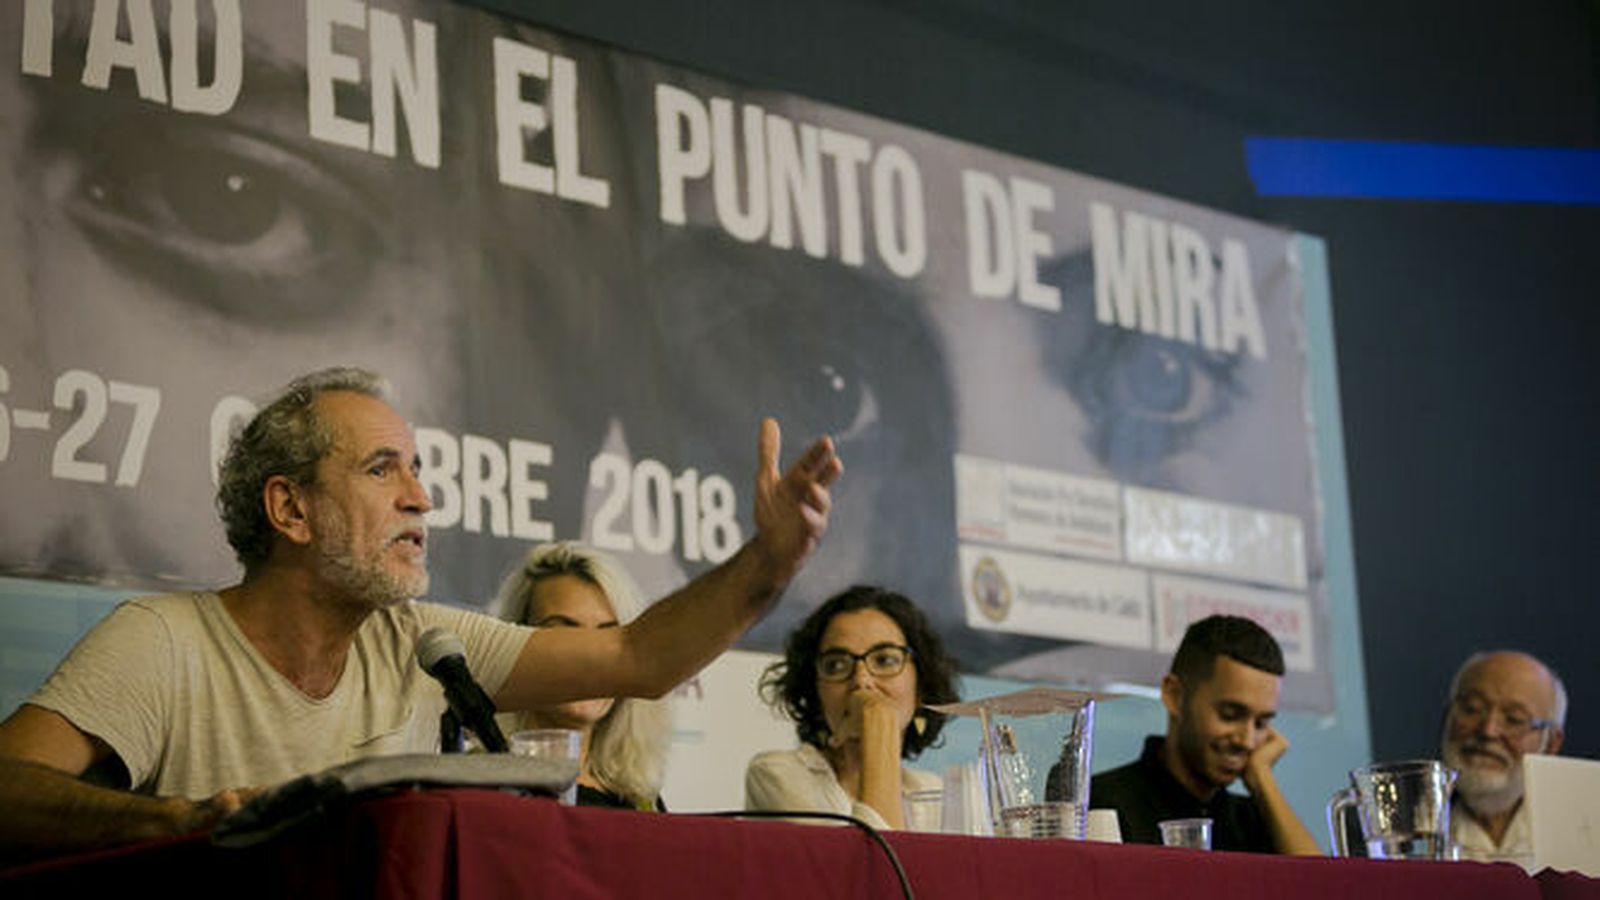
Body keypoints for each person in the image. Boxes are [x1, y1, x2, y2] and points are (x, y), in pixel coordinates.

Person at [0, 367, 841, 857]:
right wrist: (175, 822)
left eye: (419, 469)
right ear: (290, 510)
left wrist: (768, 564)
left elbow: (639, 661)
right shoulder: (164, 643)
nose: (422, 497)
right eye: (382, 471)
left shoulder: (422, 642)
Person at [1083, 614, 1320, 854]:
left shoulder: (1256, 820)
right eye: (1229, 714)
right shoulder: (1101, 803)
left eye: (1260, 723)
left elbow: (1322, 889)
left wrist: (1262, 781)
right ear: (1175, 696)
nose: (1247, 741)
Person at [745, 586, 959, 830]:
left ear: (920, 687)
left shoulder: (936, 793)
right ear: (815, 693)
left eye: (885, 660)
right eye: (836, 665)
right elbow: (878, 863)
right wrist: (880, 727)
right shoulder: (778, 776)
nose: (861, 680)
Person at [493, 541, 672, 811]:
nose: (591, 657)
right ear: (516, 642)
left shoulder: (642, 801)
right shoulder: (477, 782)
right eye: (565, 634)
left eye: (609, 637)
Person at [1439, 650, 1567, 864]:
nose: (1488, 731)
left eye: (1514, 719)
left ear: (1552, 743)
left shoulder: (1584, 827)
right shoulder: (1402, 831)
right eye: (1472, 709)